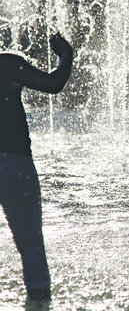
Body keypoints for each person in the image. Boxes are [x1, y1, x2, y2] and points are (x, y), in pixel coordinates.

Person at [0, 32, 73, 301]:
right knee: (31, 247)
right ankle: (39, 299)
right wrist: (66, 55)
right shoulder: (6, 64)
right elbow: (53, 83)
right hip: (15, 164)